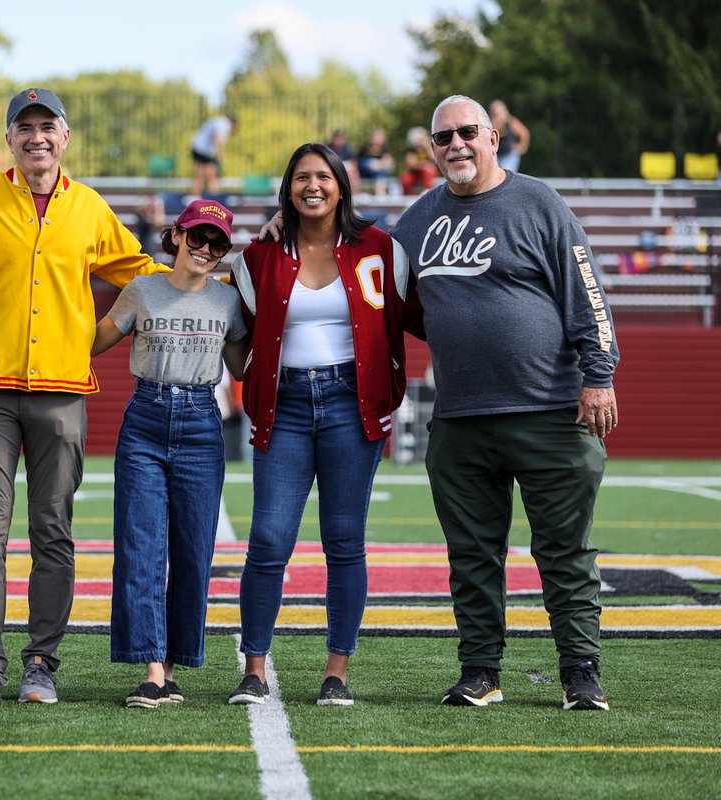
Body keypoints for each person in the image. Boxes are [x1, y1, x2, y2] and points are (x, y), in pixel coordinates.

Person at [0, 87, 165, 706]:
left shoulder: (89, 208)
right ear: (9, 138)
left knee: (52, 531)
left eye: (47, 127)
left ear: (66, 137)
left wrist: (205, 276)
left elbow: (140, 272)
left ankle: (40, 662)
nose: (36, 137)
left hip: (62, 390)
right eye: (24, 127)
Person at [391, 94, 619, 711]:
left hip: (551, 411)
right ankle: (481, 672)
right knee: (471, 557)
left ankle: (579, 672)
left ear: (494, 138)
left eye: (468, 132)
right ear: (432, 150)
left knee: (565, 554)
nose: (456, 145)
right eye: (444, 138)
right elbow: (377, 285)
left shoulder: (540, 202)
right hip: (461, 419)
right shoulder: (417, 220)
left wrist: (599, 376)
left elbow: (586, 291)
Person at [227, 143, 412, 706]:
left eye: (324, 176)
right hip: (283, 407)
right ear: (287, 188)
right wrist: (254, 381)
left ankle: (337, 671)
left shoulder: (380, 248)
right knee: (268, 539)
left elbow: (408, 318)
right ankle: (254, 668)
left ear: (341, 184)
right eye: (302, 177)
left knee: (344, 540)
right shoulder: (257, 257)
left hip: (349, 407)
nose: (313, 185)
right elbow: (237, 336)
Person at [92, 199, 247, 709]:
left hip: (203, 424)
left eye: (217, 244)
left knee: (193, 551)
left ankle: (174, 667)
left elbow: (243, 368)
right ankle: (153, 669)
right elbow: (95, 342)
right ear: (177, 236)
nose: (205, 249)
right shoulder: (142, 289)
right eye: (197, 238)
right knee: (140, 545)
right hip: (145, 420)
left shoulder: (226, 301)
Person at [190, 114, 236, 196]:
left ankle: (197, 196)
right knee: (209, 175)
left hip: (199, 148)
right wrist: (221, 154)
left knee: (204, 175)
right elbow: (217, 137)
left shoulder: (219, 121)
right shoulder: (224, 124)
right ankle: (214, 197)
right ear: (233, 124)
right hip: (202, 150)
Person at [489, 100, 530, 173]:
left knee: (507, 173)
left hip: (509, 154)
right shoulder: (490, 124)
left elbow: (524, 133)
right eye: (495, 113)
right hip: (496, 155)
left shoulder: (510, 122)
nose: (497, 114)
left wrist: (522, 147)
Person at [400, 126, 440, 195]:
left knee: (430, 171)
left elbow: (435, 159)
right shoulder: (412, 149)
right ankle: (407, 197)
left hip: (428, 173)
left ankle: (428, 193)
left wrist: (427, 148)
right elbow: (411, 164)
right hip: (415, 173)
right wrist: (423, 165)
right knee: (405, 178)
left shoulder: (429, 148)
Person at [357, 128, 395, 196]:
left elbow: (389, 162)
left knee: (380, 172)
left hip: (379, 172)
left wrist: (380, 164)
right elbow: (361, 163)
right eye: (376, 137)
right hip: (365, 172)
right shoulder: (366, 148)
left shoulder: (385, 149)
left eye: (379, 137)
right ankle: (380, 196)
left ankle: (380, 196)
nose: (377, 140)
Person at [328, 128, 360, 194]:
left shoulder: (347, 147)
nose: (338, 140)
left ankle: (353, 195)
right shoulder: (328, 147)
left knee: (352, 173)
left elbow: (353, 161)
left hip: (346, 168)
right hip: (332, 167)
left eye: (340, 138)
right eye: (337, 137)